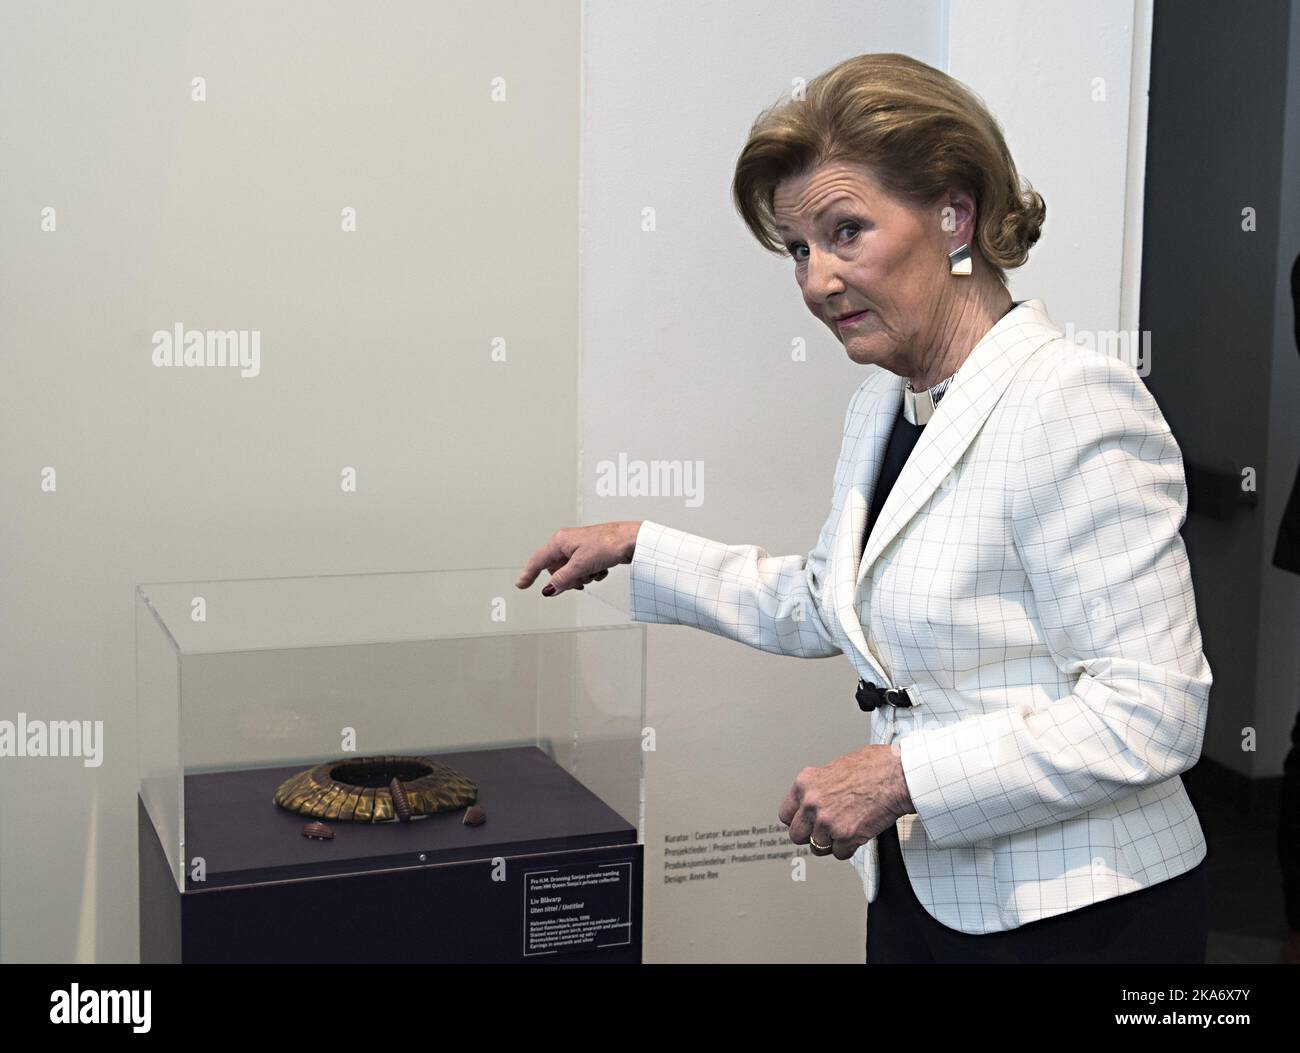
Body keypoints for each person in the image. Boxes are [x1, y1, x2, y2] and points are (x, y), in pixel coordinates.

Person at [517, 52, 1211, 963]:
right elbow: (833, 601)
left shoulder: (1073, 403)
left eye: (847, 232)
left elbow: (1151, 711)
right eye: (801, 249)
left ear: (954, 216)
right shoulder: (887, 403)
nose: (815, 282)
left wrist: (899, 775)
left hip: (1080, 916)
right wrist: (640, 548)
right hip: (919, 888)